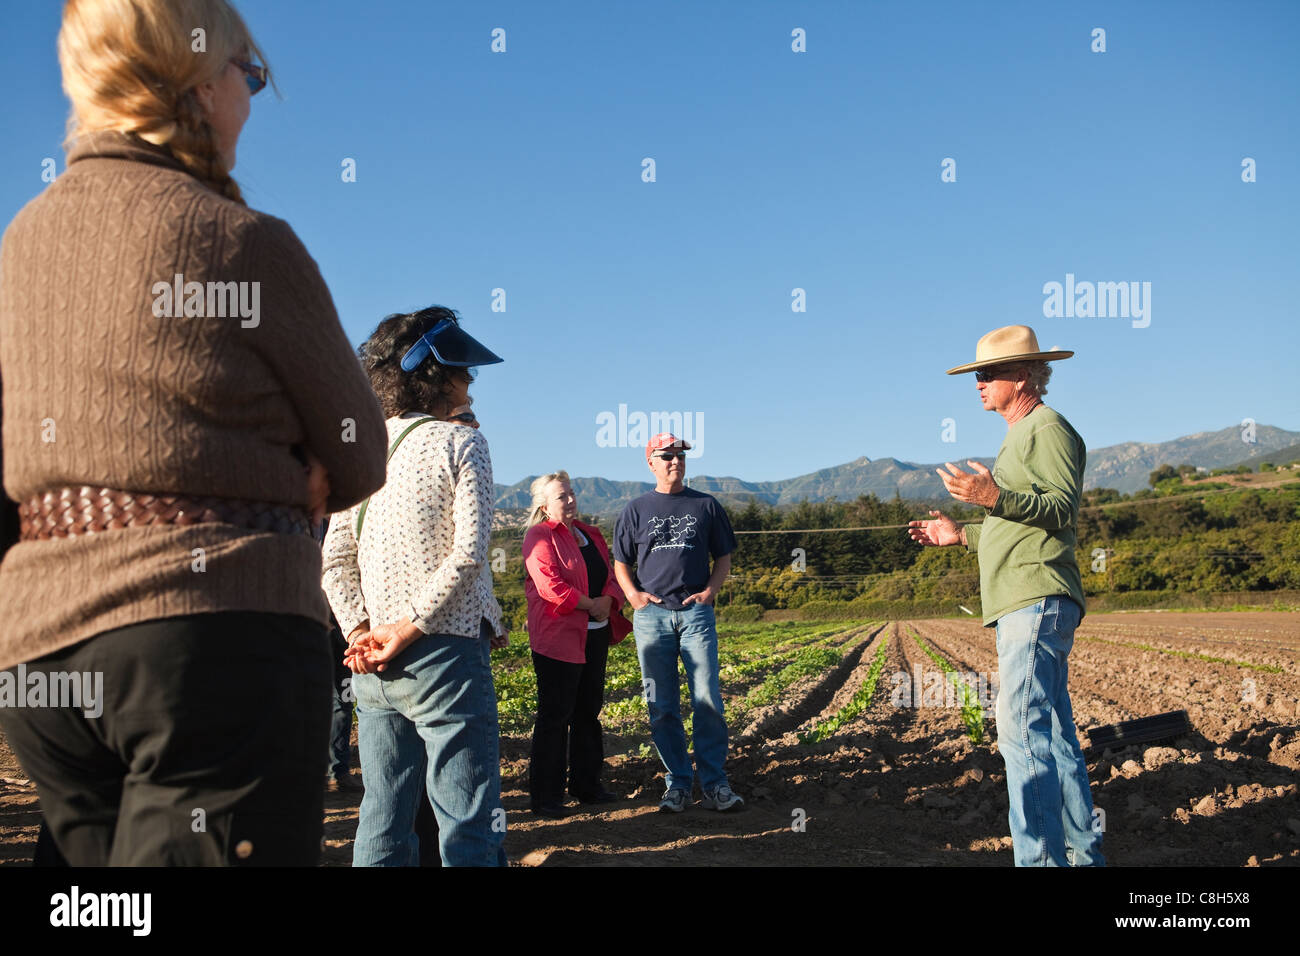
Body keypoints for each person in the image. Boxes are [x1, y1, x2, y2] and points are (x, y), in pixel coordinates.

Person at [0, 0, 387, 865]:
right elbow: (360, 447)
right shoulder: (241, 240)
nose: (250, 99)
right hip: (213, 641)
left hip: (41, 661)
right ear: (196, 84)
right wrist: (290, 472)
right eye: (248, 76)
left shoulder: (18, 245)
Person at [908, 324, 1104, 867]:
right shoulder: (1019, 435)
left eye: (987, 374)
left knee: (1021, 732)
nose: (978, 384)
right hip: (1026, 599)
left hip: (1036, 598)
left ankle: (1040, 861)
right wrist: (961, 534)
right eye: (976, 376)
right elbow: (1015, 521)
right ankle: (1080, 857)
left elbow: (1061, 510)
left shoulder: (1049, 429)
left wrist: (993, 494)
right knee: (1055, 738)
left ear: (1021, 376)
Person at [321, 305, 509, 867]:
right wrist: (406, 630)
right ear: (432, 374)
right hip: (444, 653)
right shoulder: (462, 443)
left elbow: (334, 560)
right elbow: (469, 554)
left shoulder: (363, 451)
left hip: (372, 666)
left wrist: (362, 633)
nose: (471, 381)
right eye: (462, 370)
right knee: (466, 821)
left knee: (382, 816)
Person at [613, 433, 743, 813]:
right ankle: (678, 784)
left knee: (707, 699)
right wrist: (634, 597)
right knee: (662, 704)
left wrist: (710, 592)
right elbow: (620, 562)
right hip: (651, 618)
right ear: (650, 462)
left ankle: (716, 784)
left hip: (695, 614)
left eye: (681, 455)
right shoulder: (635, 509)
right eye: (667, 455)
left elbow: (723, 558)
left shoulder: (706, 505)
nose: (676, 461)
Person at [522, 471, 632, 817]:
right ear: (544, 505)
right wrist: (592, 604)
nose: (570, 500)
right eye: (561, 497)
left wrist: (609, 601)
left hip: (594, 634)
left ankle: (587, 786)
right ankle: (546, 797)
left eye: (571, 494)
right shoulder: (539, 536)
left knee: (588, 711)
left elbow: (612, 576)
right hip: (558, 638)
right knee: (555, 716)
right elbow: (550, 586)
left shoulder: (589, 533)